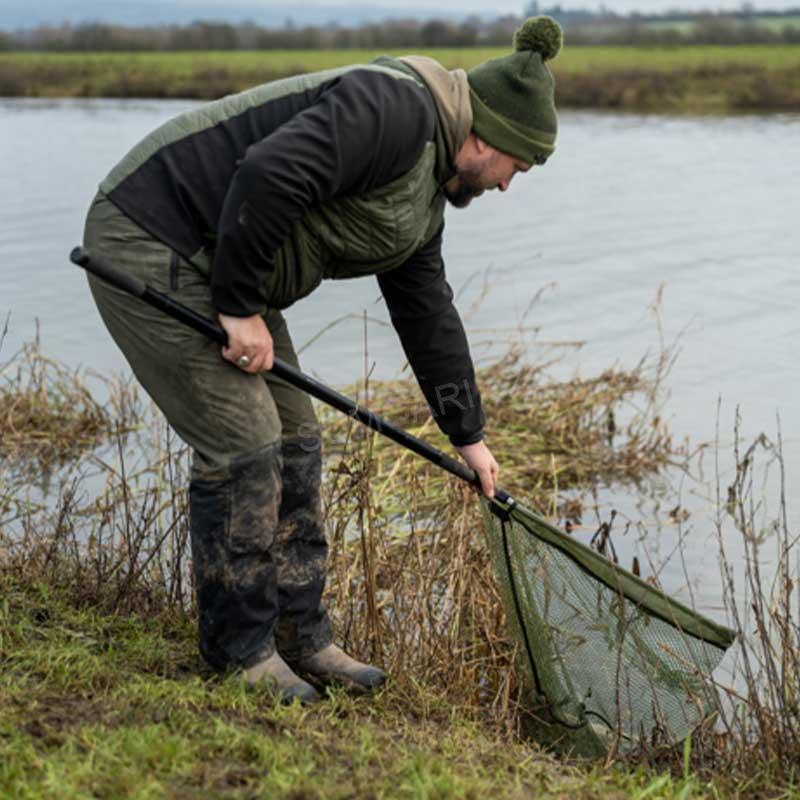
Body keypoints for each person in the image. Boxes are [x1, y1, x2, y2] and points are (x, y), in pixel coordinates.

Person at [81, 16, 562, 704]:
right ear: (486, 138)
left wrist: (469, 436)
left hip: (227, 260)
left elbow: (427, 314)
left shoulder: (425, 194)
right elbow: (270, 171)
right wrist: (241, 306)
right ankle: (238, 653)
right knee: (245, 444)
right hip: (152, 235)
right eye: (518, 167)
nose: (510, 185)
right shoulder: (393, 111)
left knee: (298, 440)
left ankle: (301, 638)